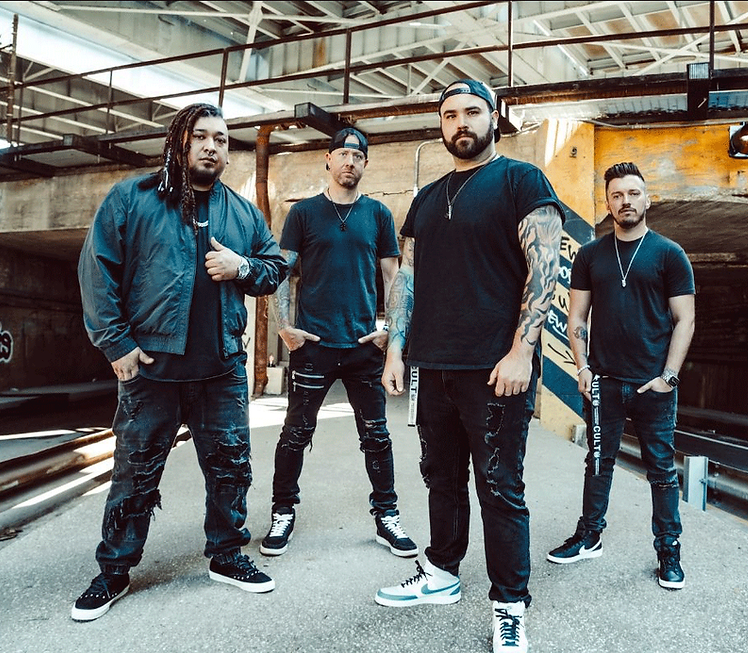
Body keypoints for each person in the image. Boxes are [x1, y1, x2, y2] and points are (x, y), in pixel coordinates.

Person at [73, 103, 288, 621]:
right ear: (180, 142)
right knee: (134, 474)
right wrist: (117, 344)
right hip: (151, 371)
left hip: (221, 370)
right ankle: (115, 571)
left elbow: (275, 266)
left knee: (231, 467)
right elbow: (96, 270)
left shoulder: (242, 212)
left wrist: (243, 267)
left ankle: (227, 554)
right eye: (201, 137)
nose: (212, 146)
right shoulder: (133, 198)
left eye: (222, 139)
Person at [376, 79, 563, 653]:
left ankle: (509, 604)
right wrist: (396, 347)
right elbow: (406, 279)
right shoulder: (427, 198)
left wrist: (522, 350)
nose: (461, 122)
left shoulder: (521, 180)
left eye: (473, 111)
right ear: (441, 124)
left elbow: (545, 268)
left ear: (494, 118)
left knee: (500, 486)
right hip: (434, 364)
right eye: (450, 113)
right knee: (441, 478)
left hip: (494, 365)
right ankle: (441, 572)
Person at [259, 127, 417, 559]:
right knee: (295, 433)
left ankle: (387, 516)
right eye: (342, 153)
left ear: (366, 164)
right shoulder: (304, 214)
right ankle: (282, 512)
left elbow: (393, 278)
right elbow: (282, 272)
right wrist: (284, 328)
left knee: (376, 435)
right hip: (314, 345)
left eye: (358, 155)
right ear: (327, 161)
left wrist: (391, 331)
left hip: (365, 345)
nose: (350, 161)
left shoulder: (379, 215)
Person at [546, 162, 696, 590]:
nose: (625, 201)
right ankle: (589, 534)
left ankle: (669, 550)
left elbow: (684, 320)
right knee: (598, 463)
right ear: (607, 202)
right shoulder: (591, 255)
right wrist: (582, 367)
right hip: (604, 383)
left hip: (654, 386)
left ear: (647, 199)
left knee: (662, 470)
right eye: (616, 195)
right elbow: (577, 316)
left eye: (633, 193)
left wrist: (669, 376)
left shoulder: (669, 254)